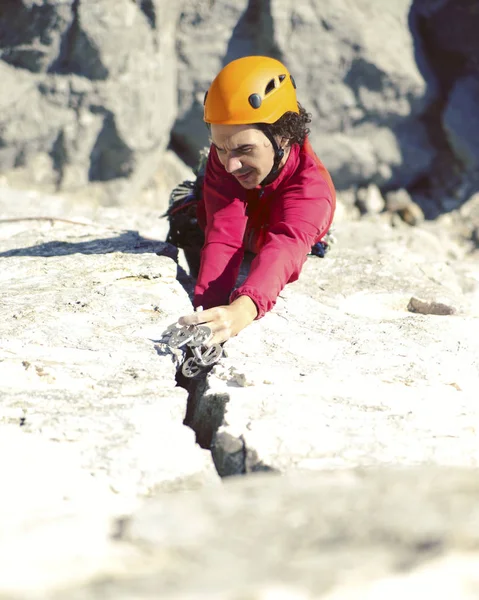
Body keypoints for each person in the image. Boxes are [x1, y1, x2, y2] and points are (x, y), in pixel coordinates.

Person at [177, 55, 336, 346]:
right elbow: (224, 230)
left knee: (291, 237)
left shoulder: (311, 191)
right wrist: (206, 310)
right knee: (189, 206)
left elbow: (283, 249)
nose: (230, 166)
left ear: (283, 136)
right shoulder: (225, 157)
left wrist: (240, 312)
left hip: (283, 230)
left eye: (244, 149)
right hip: (251, 220)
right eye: (221, 148)